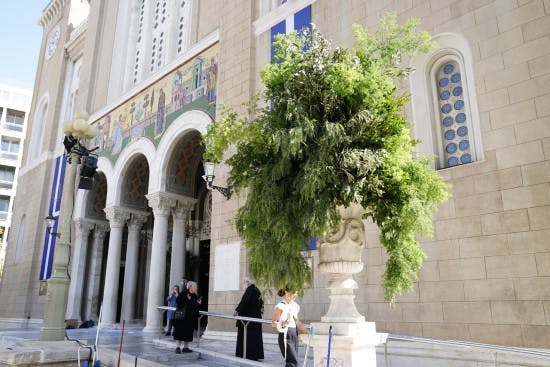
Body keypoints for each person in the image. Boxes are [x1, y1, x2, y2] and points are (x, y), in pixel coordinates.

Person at [271, 285, 309, 367]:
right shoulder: (280, 306)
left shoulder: (295, 306)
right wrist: (282, 324)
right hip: (285, 335)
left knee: (292, 362)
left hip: (294, 334)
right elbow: (274, 323)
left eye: (296, 293)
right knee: (293, 362)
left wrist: (307, 331)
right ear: (286, 292)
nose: (295, 295)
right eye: (294, 293)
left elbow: (297, 322)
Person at [233, 276, 264, 360]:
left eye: (244, 282)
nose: (243, 283)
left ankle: (246, 354)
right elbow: (261, 301)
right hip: (255, 319)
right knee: (254, 337)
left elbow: (244, 301)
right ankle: (255, 355)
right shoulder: (256, 289)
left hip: (248, 319)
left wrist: (237, 310)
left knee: (247, 336)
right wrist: (262, 308)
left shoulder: (249, 289)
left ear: (248, 282)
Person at [173, 281, 202, 353]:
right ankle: (178, 347)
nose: (196, 288)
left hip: (190, 318)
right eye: (195, 287)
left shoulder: (195, 295)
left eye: (196, 287)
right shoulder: (183, 293)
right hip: (182, 317)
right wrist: (187, 299)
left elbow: (195, 307)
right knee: (180, 332)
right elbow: (178, 302)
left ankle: (185, 348)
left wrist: (198, 304)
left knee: (188, 333)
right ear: (190, 287)